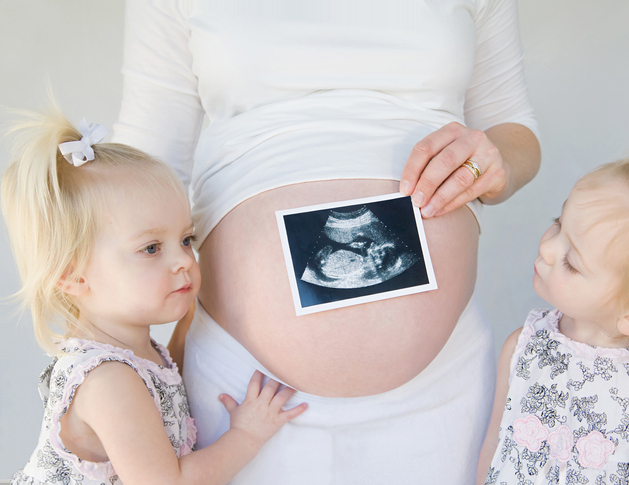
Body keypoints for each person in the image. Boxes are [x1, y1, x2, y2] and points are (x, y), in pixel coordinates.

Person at [113, 0, 541, 482]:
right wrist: (107, 350)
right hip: (248, 391)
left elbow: (513, 126)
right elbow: (142, 164)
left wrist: (493, 159)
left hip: (444, 378)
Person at [3, 107, 307, 485]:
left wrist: (193, 318)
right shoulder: (108, 380)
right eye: (151, 248)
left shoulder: (130, 350)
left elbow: (168, 376)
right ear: (73, 276)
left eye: (185, 239)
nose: (184, 260)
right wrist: (247, 435)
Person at [477, 100, 629, 484]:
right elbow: (496, 444)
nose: (546, 248)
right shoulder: (524, 347)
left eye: (572, 261)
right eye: (557, 223)